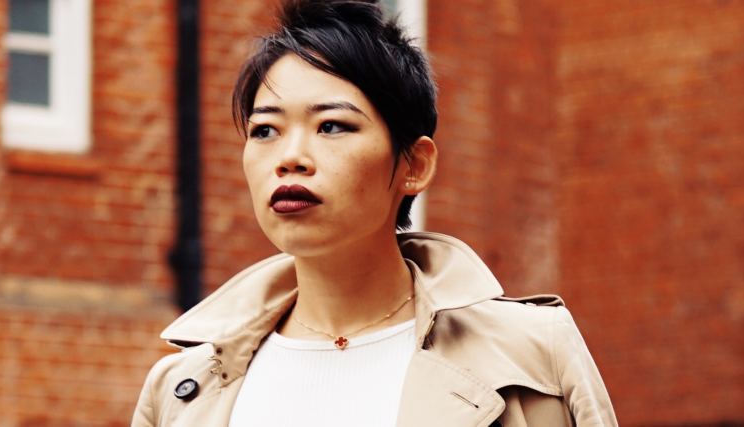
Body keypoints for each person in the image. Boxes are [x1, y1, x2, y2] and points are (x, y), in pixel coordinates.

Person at [131, 0, 617, 425]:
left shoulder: (532, 354)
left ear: (414, 164)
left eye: (333, 126)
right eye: (264, 131)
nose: (290, 156)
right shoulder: (182, 388)